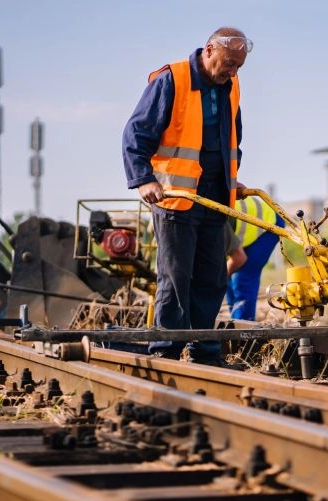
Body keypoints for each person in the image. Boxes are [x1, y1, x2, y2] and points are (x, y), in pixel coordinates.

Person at [122, 27, 252, 365]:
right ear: (209, 50)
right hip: (176, 196)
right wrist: (143, 179)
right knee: (176, 276)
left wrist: (231, 177)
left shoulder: (231, 86)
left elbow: (232, 138)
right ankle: (165, 349)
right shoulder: (172, 80)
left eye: (238, 66)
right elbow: (136, 133)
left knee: (211, 276)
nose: (233, 72)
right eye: (228, 63)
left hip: (214, 195)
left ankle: (204, 349)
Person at [226, 196, 285, 321]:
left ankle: (242, 330)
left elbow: (238, 258)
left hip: (268, 224)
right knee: (227, 277)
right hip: (246, 231)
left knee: (242, 277)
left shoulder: (216, 224)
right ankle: (235, 321)